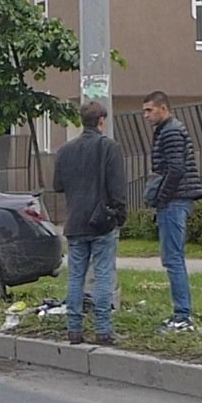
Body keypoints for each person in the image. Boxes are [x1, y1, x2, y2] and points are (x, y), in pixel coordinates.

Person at [53, 101, 127, 345]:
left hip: (75, 222)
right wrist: (119, 215)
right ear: (101, 121)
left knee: (75, 277)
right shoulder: (109, 147)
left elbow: (58, 186)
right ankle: (103, 330)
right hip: (101, 222)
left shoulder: (65, 151)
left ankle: (74, 329)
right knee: (103, 276)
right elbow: (116, 188)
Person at [142, 91, 202, 333]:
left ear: (163, 108)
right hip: (177, 199)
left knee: (174, 258)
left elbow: (175, 170)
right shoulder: (168, 130)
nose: (145, 115)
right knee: (172, 258)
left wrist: (161, 198)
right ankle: (181, 314)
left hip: (175, 200)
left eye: (149, 110)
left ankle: (182, 316)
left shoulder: (170, 132)